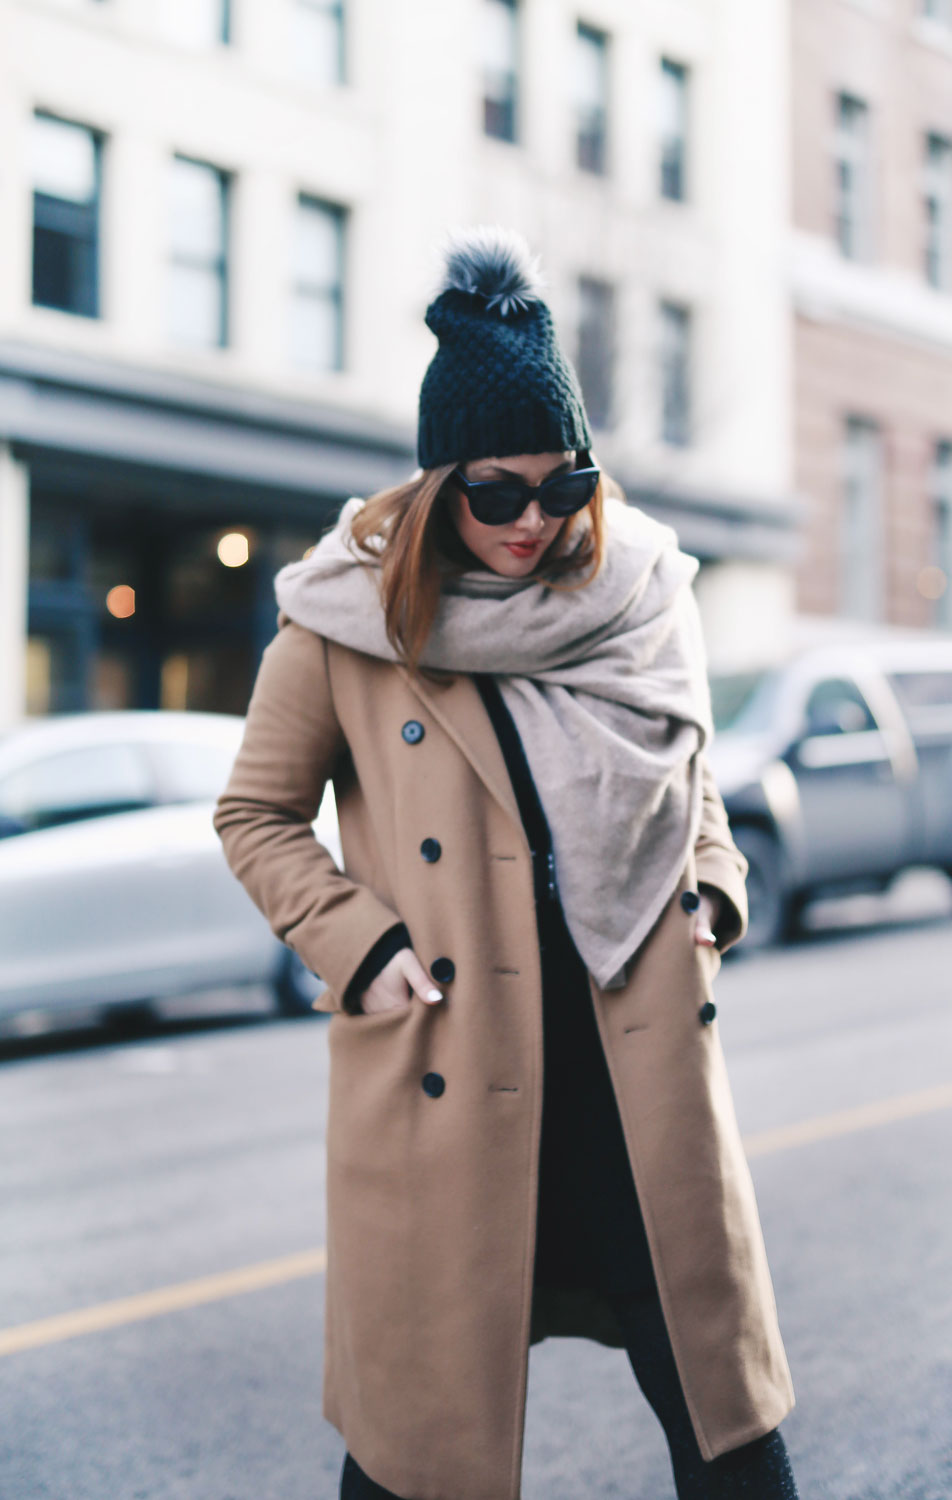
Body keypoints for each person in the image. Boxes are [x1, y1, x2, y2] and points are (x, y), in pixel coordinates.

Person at [213, 224, 798, 1500]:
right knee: (422, 1451)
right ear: (438, 488)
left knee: (729, 1429)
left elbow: (688, 774)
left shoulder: (643, 592)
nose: (531, 521)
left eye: (559, 486)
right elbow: (253, 815)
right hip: (451, 1058)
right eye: (494, 492)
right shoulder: (342, 622)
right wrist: (358, 949)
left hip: (627, 1060)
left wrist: (711, 885)